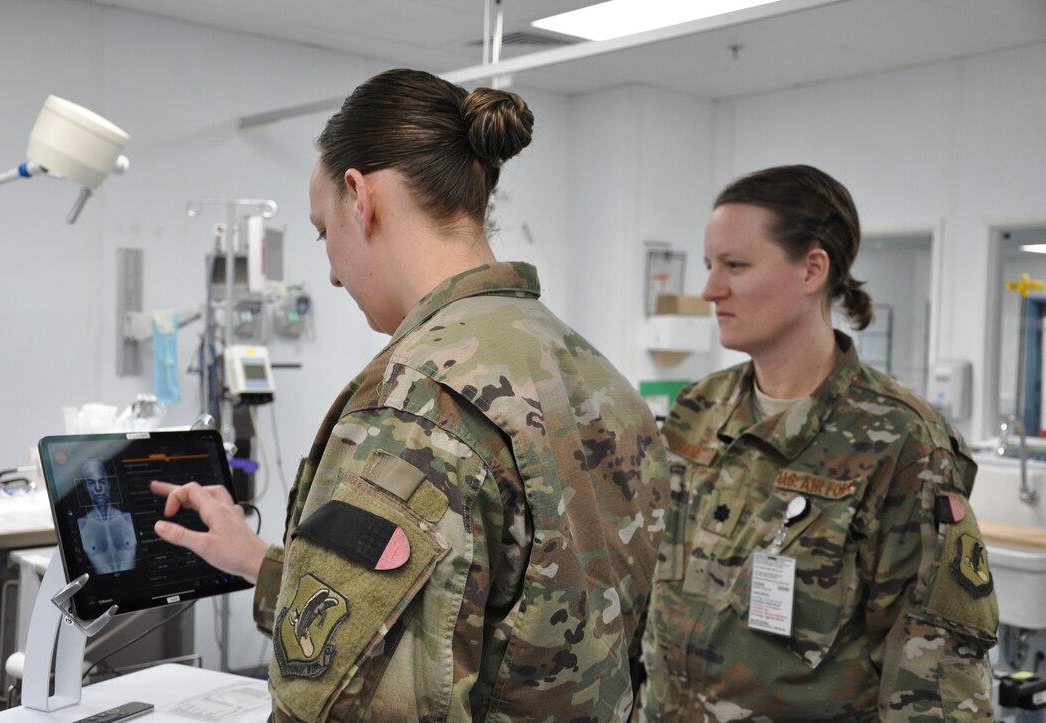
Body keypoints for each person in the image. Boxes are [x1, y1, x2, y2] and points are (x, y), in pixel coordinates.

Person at [151, 68, 668, 721]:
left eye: (322, 232)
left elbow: (357, 701)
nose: (331, 274)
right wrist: (258, 562)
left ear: (359, 196)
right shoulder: (599, 378)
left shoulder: (415, 404)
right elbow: (492, 616)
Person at [636, 164, 999, 720]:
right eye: (710, 266)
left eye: (735, 265)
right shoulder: (697, 409)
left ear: (812, 269)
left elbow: (936, 683)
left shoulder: (902, 443)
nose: (710, 290)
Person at [76, 458, 137, 574]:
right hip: (104, 584)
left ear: (108, 484)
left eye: (102, 481)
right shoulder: (82, 525)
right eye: (91, 483)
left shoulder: (127, 519)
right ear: (86, 487)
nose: (98, 488)